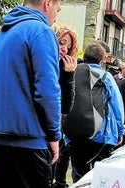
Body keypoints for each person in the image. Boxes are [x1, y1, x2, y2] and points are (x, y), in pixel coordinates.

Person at [0, 1, 64, 187]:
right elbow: (48, 90)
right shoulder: (41, 32)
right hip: (28, 140)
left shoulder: (0, 36)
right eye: (57, 9)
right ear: (47, 3)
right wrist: (54, 135)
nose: (56, 15)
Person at [68, 42, 125, 183]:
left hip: (74, 133)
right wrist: (120, 130)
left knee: (79, 175)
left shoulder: (72, 72)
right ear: (102, 60)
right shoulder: (105, 76)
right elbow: (117, 105)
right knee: (101, 177)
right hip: (100, 135)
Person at [51, 22, 78, 188]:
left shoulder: (62, 68)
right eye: (62, 43)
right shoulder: (43, 64)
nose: (64, 49)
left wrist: (69, 75)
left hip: (53, 134)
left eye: (68, 47)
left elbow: (66, 107)